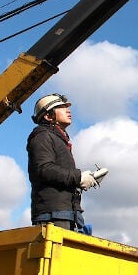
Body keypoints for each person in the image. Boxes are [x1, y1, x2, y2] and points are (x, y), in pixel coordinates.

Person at [26, 93, 105, 233]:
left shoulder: (58, 139)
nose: (68, 110)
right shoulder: (42, 136)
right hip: (53, 216)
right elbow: (44, 169)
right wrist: (78, 177)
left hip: (66, 214)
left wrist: (83, 179)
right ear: (48, 116)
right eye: (61, 107)